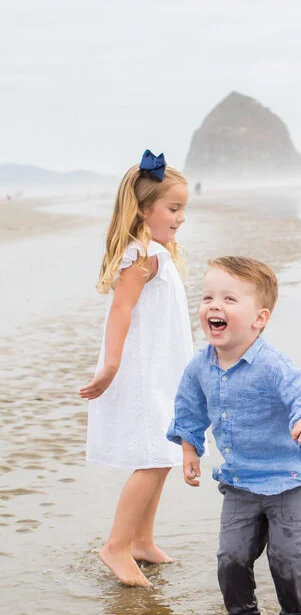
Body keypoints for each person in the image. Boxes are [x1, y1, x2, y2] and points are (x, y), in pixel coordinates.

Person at [167, 256, 301, 615]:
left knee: (287, 556)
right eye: (207, 297)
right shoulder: (198, 368)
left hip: (290, 479)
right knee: (231, 557)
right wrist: (190, 448)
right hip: (239, 482)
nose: (214, 306)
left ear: (259, 319)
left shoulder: (273, 366)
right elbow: (188, 411)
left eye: (229, 299)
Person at [79, 150, 193, 588]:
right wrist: (110, 366)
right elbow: (121, 311)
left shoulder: (158, 252)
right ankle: (116, 546)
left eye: (183, 208)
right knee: (153, 456)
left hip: (163, 371)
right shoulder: (142, 255)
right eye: (174, 208)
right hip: (142, 372)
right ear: (145, 210)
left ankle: (142, 540)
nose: (181, 217)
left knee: (162, 454)